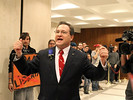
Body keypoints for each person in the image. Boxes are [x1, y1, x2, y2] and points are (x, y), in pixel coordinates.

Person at [13, 21, 108, 100]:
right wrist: (19, 54)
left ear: (71, 37)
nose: (59, 34)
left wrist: (103, 61)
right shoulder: (44, 54)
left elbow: (95, 75)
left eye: (63, 32)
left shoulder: (80, 56)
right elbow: (26, 70)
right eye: (57, 31)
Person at [8, 32, 36, 100]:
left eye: (27, 39)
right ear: (20, 40)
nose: (26, 41)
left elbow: (34, 66)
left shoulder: (33, 51)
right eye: (24, 39)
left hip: (30, 82)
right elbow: (11, 67)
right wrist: (10, 82)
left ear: (29, 40)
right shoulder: (14, 51)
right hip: (19, 82)